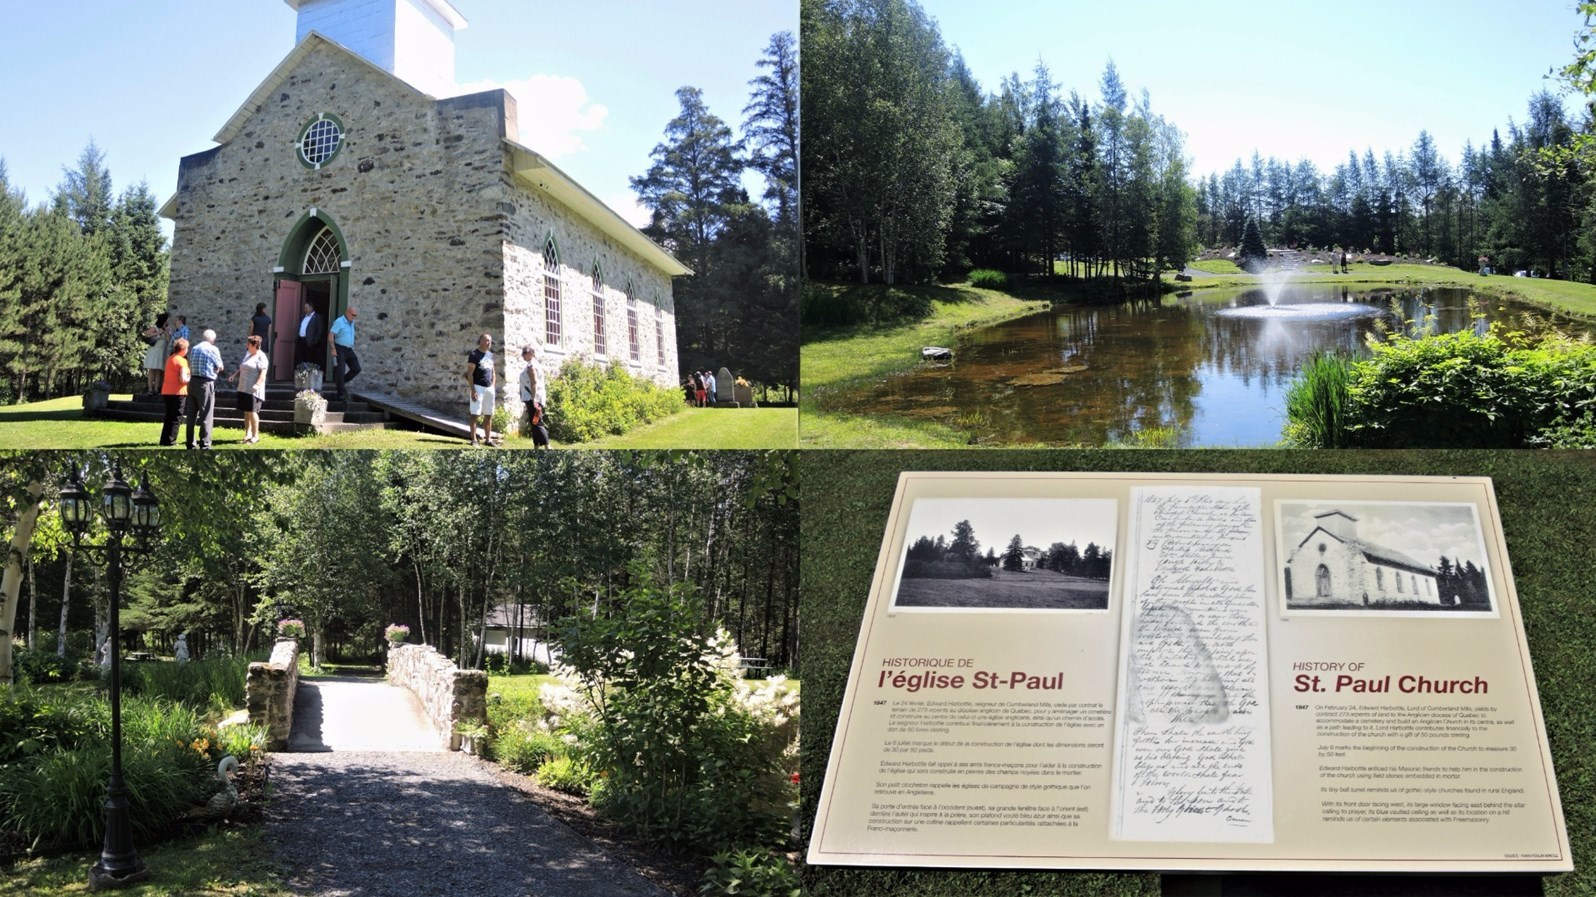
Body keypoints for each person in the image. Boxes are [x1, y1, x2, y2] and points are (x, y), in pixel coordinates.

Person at [185, 329, 226, 449]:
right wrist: (216, 369)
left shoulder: (195, 348)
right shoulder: (213, 349)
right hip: (205, 383)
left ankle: (190, 443)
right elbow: (220, 366)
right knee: (206, 414)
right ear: (213, 339)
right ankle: (205, 443)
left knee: (191, 415)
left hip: (192, 382)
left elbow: (191, 364)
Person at [232, 334, 270, 444]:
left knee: (252, 412)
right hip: (243, 388)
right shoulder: (248, 354)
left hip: (254, 390)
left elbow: (263, 374)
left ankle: (255, 436)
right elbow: (242, 367)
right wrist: (234, 376)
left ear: (255, 345)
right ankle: (247, 434)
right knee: (246, 412)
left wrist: (257, 385)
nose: (247, 345)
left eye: (248, 344)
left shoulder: (261, 357)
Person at [159, 337, 190, 446]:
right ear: (183, 349)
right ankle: (171, 440)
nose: (187, 350)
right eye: (187, 348)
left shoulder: (170, 358)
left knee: (168, 416)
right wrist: (190, 377)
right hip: (178, 392)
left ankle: (164, 440)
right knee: (176, 417)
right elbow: (183, 379)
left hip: (167, 391)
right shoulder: (182, 361)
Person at [466, 333, 496, 445]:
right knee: (475, 414)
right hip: (478, 387)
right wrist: (473, 390)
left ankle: (488, 440)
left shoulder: (490, 355)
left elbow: (493, 372)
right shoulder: (474, 354)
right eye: (487, 340)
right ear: (481, 341)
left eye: (490, 340)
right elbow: (469, 374)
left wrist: (492, 386)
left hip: (489, 388)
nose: (489, 343)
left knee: (488, 415)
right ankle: (474, 440)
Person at [328, 305, 361, 401]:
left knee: (356, 368)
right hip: (339, 348)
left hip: (349, 349)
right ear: (347, 312)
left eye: (356, 315)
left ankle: (340, 383)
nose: (354, 317)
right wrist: (333, 348)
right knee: (340, 371)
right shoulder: (339, 321)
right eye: (353, 315)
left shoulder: (352, 322)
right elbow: (331, 334)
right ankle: (340, 394)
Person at [518, 345, 548, 448]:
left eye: (524, 353)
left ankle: (547, 445)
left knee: (537, 421)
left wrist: (534, 399)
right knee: (533, 422)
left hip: (533, 398)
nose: (522, 355)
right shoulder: (533, 364)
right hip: (532, 397)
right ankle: (536, 445)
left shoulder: (531, 366)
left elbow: (534, 382)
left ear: (531, 353)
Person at [141, 313, 171, 394]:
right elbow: (146, 334)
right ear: (163, 320)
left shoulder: (167, 329)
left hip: (161, 352)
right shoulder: (155, 327)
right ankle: (150, 389)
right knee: (152, 369)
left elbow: (168, 339)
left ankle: (156, 389)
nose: (168, 321)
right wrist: (158, 333)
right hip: (154, 351)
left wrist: (165, 331)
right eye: (167, 319)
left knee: (158, 370)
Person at [295, 300, 326, 373]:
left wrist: (315, 342)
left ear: (311, 308)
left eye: (306, 308)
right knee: (300, 359)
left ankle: (309, 374)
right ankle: (301, 374)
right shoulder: (303, 317)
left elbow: (320, 330)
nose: (305, 310)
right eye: (304, 308)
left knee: (309, 360)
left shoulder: (317, 317)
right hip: (301, 340)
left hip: (310, 342)